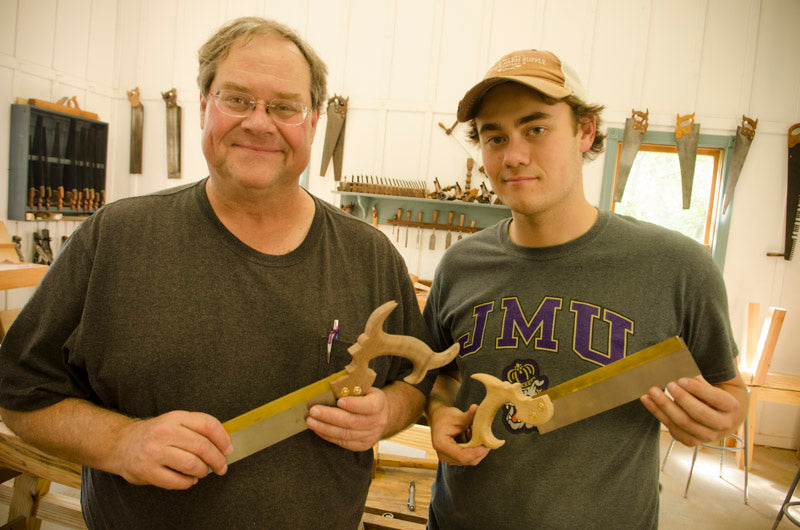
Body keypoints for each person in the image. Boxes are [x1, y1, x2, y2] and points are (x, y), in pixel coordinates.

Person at [0, 17, 431, 529]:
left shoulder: (370, 255)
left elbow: (416, 383)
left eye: (284, 106)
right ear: (204, 105)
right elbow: (20, 393)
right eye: (238, 99)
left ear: (313, 120)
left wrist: (388, 411)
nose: (259, 122)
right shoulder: (115, 238)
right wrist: (119, 441)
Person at [422, 49, 748, 529]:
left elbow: (729, 388)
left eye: (536, 129)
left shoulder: (677, 268)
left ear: (586, 132)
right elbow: (442, 376)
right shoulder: (458, 266)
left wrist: (722, 418)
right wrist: (436, 412)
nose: (513, 155)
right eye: (495, 137)